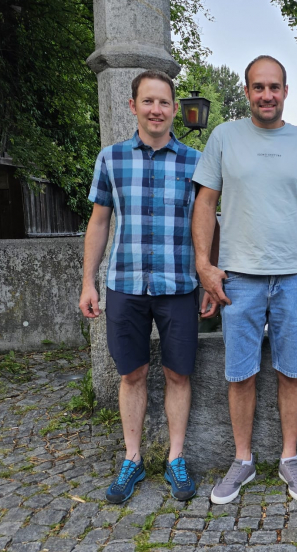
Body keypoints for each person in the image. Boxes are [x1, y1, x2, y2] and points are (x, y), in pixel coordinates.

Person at [191, 55, 297, 505]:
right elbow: (205, 202)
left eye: (274, 87)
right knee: (239, 374)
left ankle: (289, 458)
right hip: (240, 279)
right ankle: (243, 459)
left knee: (292, 371)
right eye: (257, 87)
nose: (266, 95)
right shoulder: (224, 137)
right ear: (247, 91)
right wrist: (204, 265)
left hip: (292, 277)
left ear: (285, 91)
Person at [80, 69, 217, 504]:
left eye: (164, 102)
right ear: (133, 106)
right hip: (125, 284)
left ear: (176, 109)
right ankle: (133, 459)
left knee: (179, 373)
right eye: (148, 101)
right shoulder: (111, 158)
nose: (156, 109)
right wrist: (88, 281)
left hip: (179, 284)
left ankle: (176, 458)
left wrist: (210, 277)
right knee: (132, 373)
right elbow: (99, 221)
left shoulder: (196, 162)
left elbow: (210, 223)